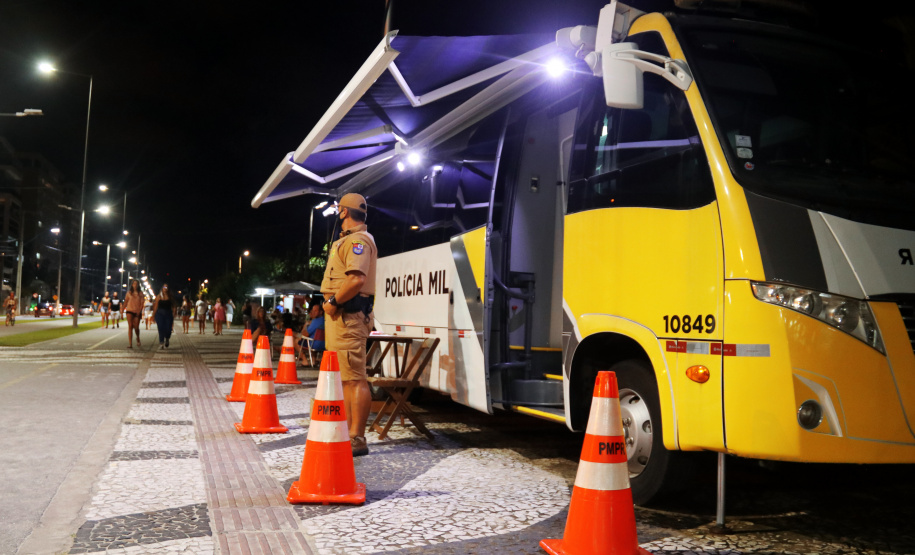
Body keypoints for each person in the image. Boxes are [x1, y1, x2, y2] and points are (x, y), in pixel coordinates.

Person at [320, 193, 377, 457]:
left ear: (344, 212)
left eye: (338, 210)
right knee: (346, 377)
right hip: (343, 317)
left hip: (348, 316)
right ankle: (349, 431)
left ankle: (357, 437)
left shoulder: (357, 241)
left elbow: (355, 280)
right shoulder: (350, 240)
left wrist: (332, 302)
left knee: (355, 378)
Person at [298, 302, 325, 367]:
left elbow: (305, 334)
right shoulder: (325, 320)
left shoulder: (315, 321)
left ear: (321, 312)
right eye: (313, 310)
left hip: (314, 344)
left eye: (315, 311)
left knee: (296, 341)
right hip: (325, 344)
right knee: (312, 340)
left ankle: (305, 361)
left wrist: (305, 325)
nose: (313, 312)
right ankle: (313, 361)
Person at [152, 283, 177, 348]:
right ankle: (161, 342)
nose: (165, 288)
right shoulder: (159, 296)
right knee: (160, 328)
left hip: (168, 314)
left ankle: (167, 338)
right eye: (164, 287)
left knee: (168, 329)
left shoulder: (170, 297)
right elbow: (155, 306)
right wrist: (153, 315)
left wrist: (174, 313)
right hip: (159, 314)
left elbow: (174, 306)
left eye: (166, 287)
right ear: (162, 288)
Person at [123, 280, 145, 348]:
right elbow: (126, 302)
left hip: (137, 311)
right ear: (132, 285)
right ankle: (130, 344)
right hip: (129, 310)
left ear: (138, 285)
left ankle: (138, 338)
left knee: (136, 327)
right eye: (134, 284)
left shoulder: (140, 293)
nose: (135, 285)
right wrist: (121, 310)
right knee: (130, 326)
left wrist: (140, 310)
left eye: (136, 284)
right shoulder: (129, 293)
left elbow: (142, 303)